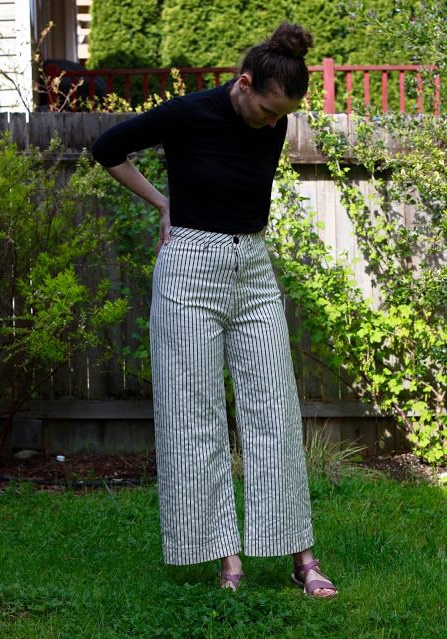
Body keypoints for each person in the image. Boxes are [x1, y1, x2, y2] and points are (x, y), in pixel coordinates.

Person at [91, 22, 338, 598]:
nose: (271, 124)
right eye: (266, 111)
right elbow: (107, 149)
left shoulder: (270, 119)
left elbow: (245, 192)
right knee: (193, 414)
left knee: (275, 412)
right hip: (189, 269)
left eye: (282, 117)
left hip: (251, 267)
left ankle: (302, 556)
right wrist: (164, 205)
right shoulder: (188, 112)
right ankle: (227, 561)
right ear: (244, 83)